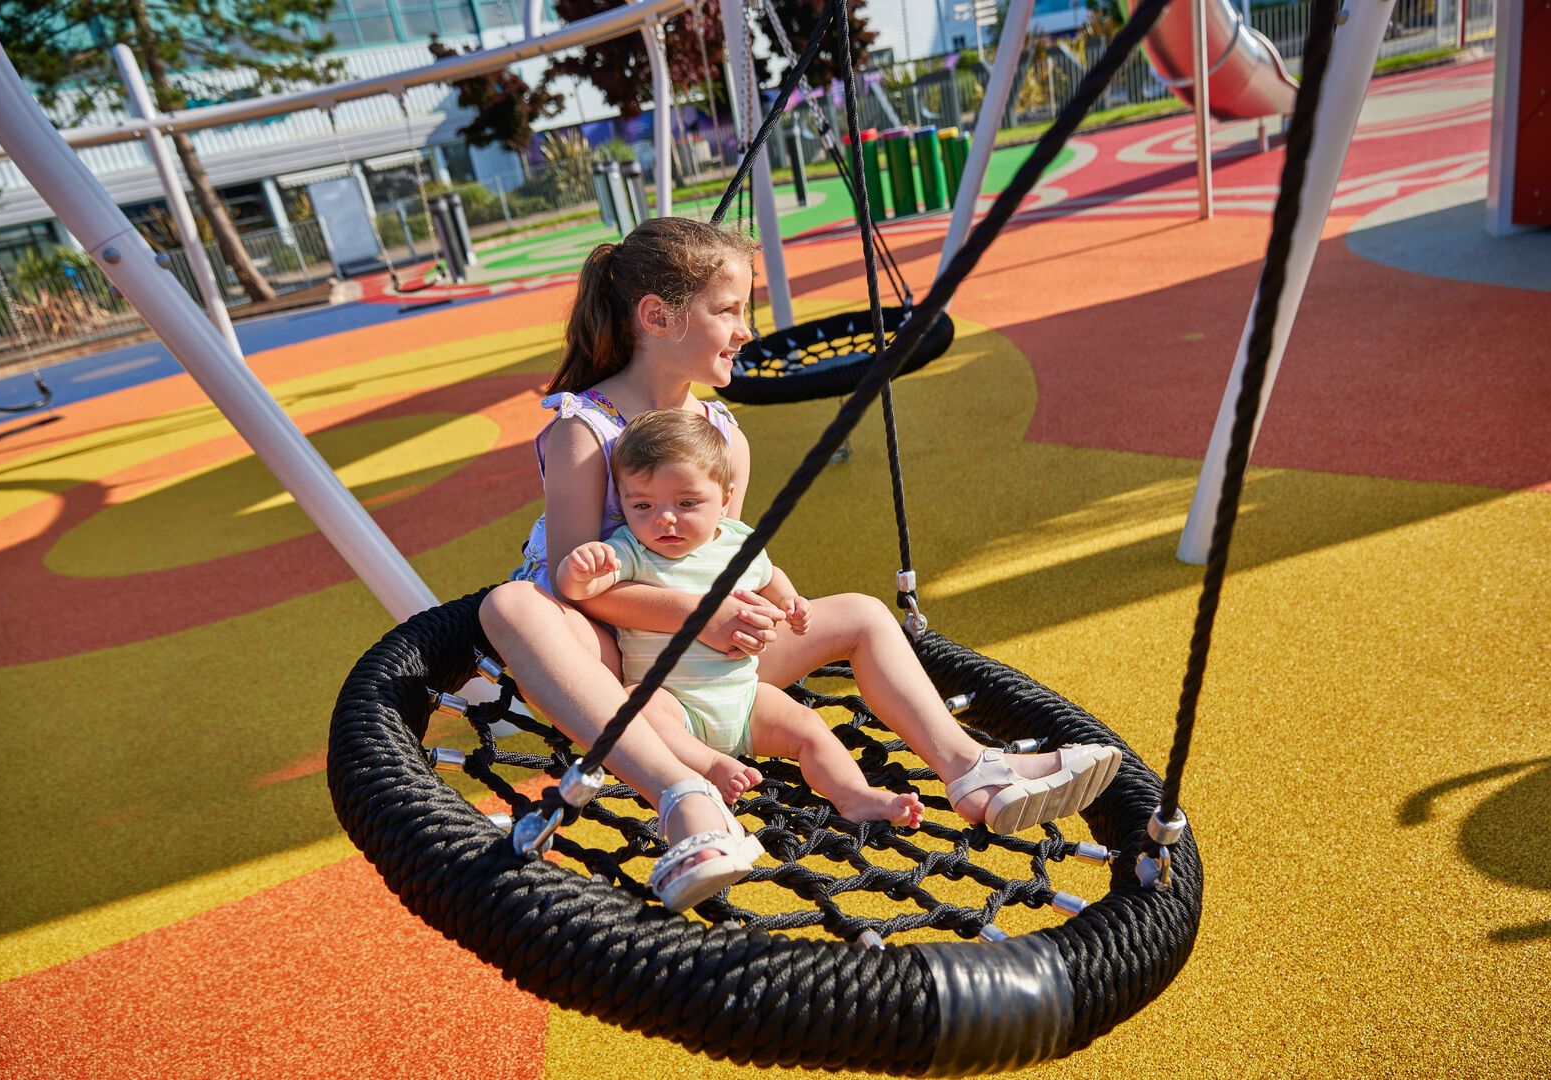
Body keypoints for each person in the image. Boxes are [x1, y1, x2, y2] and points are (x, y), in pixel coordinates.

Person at [479, 216, 1121, 912]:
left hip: (713, 666)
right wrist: (704, 617)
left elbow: (726, 554)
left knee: (862, 614)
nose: (745, 328)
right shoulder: (587, 427)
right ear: (657, 316)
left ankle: (969, 769)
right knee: (512, 606)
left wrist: (768, 607)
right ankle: (682, 799)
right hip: (619, 670)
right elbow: (576, 587)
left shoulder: (722, 433)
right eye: (727, 310)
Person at [558, 409, 926, 833]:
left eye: (687, 503)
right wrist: (582, 566)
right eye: (642, 504)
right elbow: (579, 590)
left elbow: (769, 576)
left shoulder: (737, 540)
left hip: (746, 701)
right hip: (676, 706)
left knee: (808, 727)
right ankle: (709, 764)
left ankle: (854, 795)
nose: (664, 519)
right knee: (637, 703)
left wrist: (791, 601)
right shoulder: (631, 549)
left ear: (725, 497)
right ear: (622, 502)